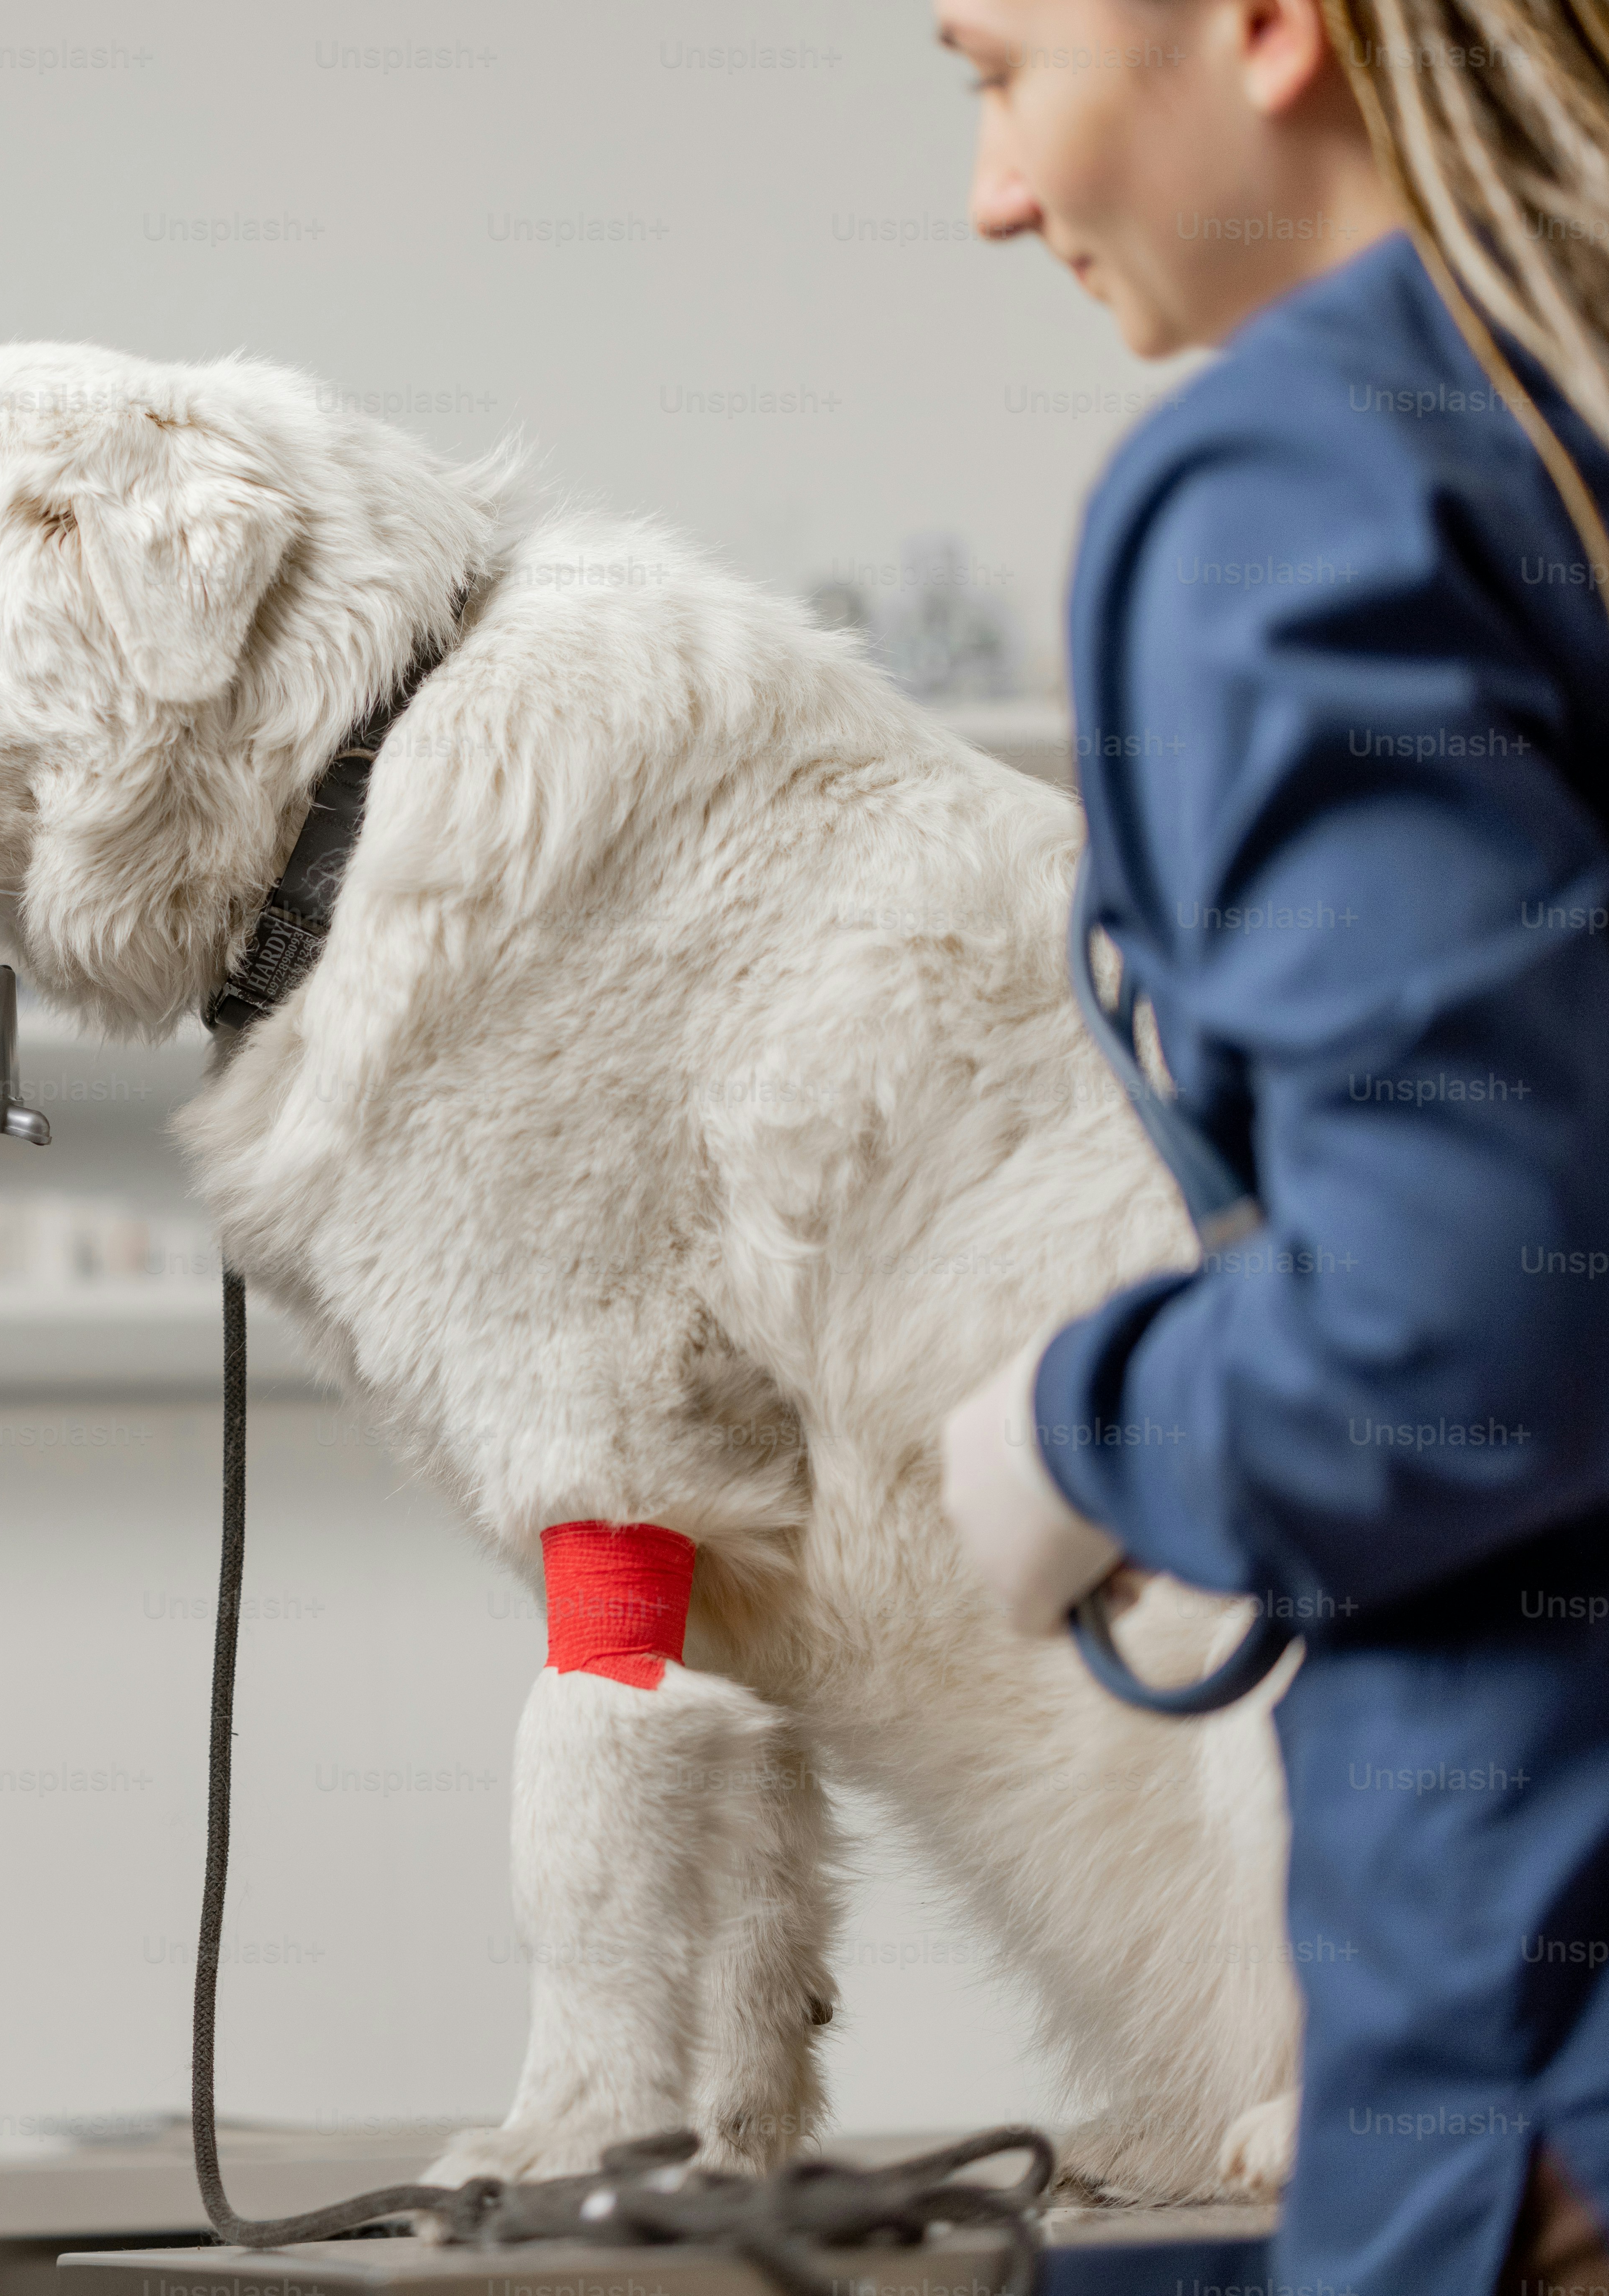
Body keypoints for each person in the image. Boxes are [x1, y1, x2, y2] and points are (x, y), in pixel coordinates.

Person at [931, 0, 1609, 2286]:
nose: (996, 192)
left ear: (1262, 27)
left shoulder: (1306, 481)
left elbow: (1469, 1325)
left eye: (997, 69)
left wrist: (1084, 1432)